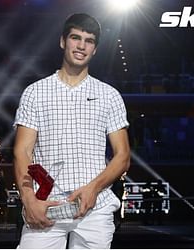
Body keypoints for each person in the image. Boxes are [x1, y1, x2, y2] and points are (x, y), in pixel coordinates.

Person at [13, 13, 130, 249]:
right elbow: (22, 151)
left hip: (95, 208)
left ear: (95, 49)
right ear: (63, 41)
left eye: (89, 41)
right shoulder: (35, 93)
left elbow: (122, 156)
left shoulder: (109, 95)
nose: (81, 46)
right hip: (46, 205)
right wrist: (29, 200)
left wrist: (93, 189)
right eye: (76, 38)